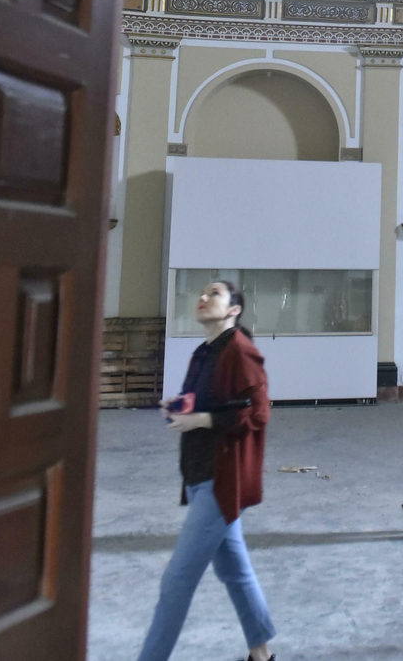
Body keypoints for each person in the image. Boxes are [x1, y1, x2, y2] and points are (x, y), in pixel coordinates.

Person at [138, 280, 277, 661]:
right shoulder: (204, 352)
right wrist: (181, 406)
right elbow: (211, 401)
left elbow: (259, 411)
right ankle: (261, 655)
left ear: (234, 309)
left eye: (214, 294)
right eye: (201, 293)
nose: (202, 298)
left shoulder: (240, 350)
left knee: (176, 581)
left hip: (222, 481)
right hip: (201, 475)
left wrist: (200, 420)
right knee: (235, 572)